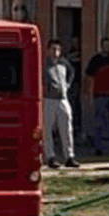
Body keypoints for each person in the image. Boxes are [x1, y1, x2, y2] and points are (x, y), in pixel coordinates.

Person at [43, 39, 79, 168]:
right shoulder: (44, 64)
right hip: (49, 99)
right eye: (53, 49)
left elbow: (72, 73)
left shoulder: (64, 63)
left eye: (58, 49)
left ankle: (69, 156)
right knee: (47, 129)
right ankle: (50, 156)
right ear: (48, 50)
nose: (56, 52)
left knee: (67, 127)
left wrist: (67, 84)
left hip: (63, 98)